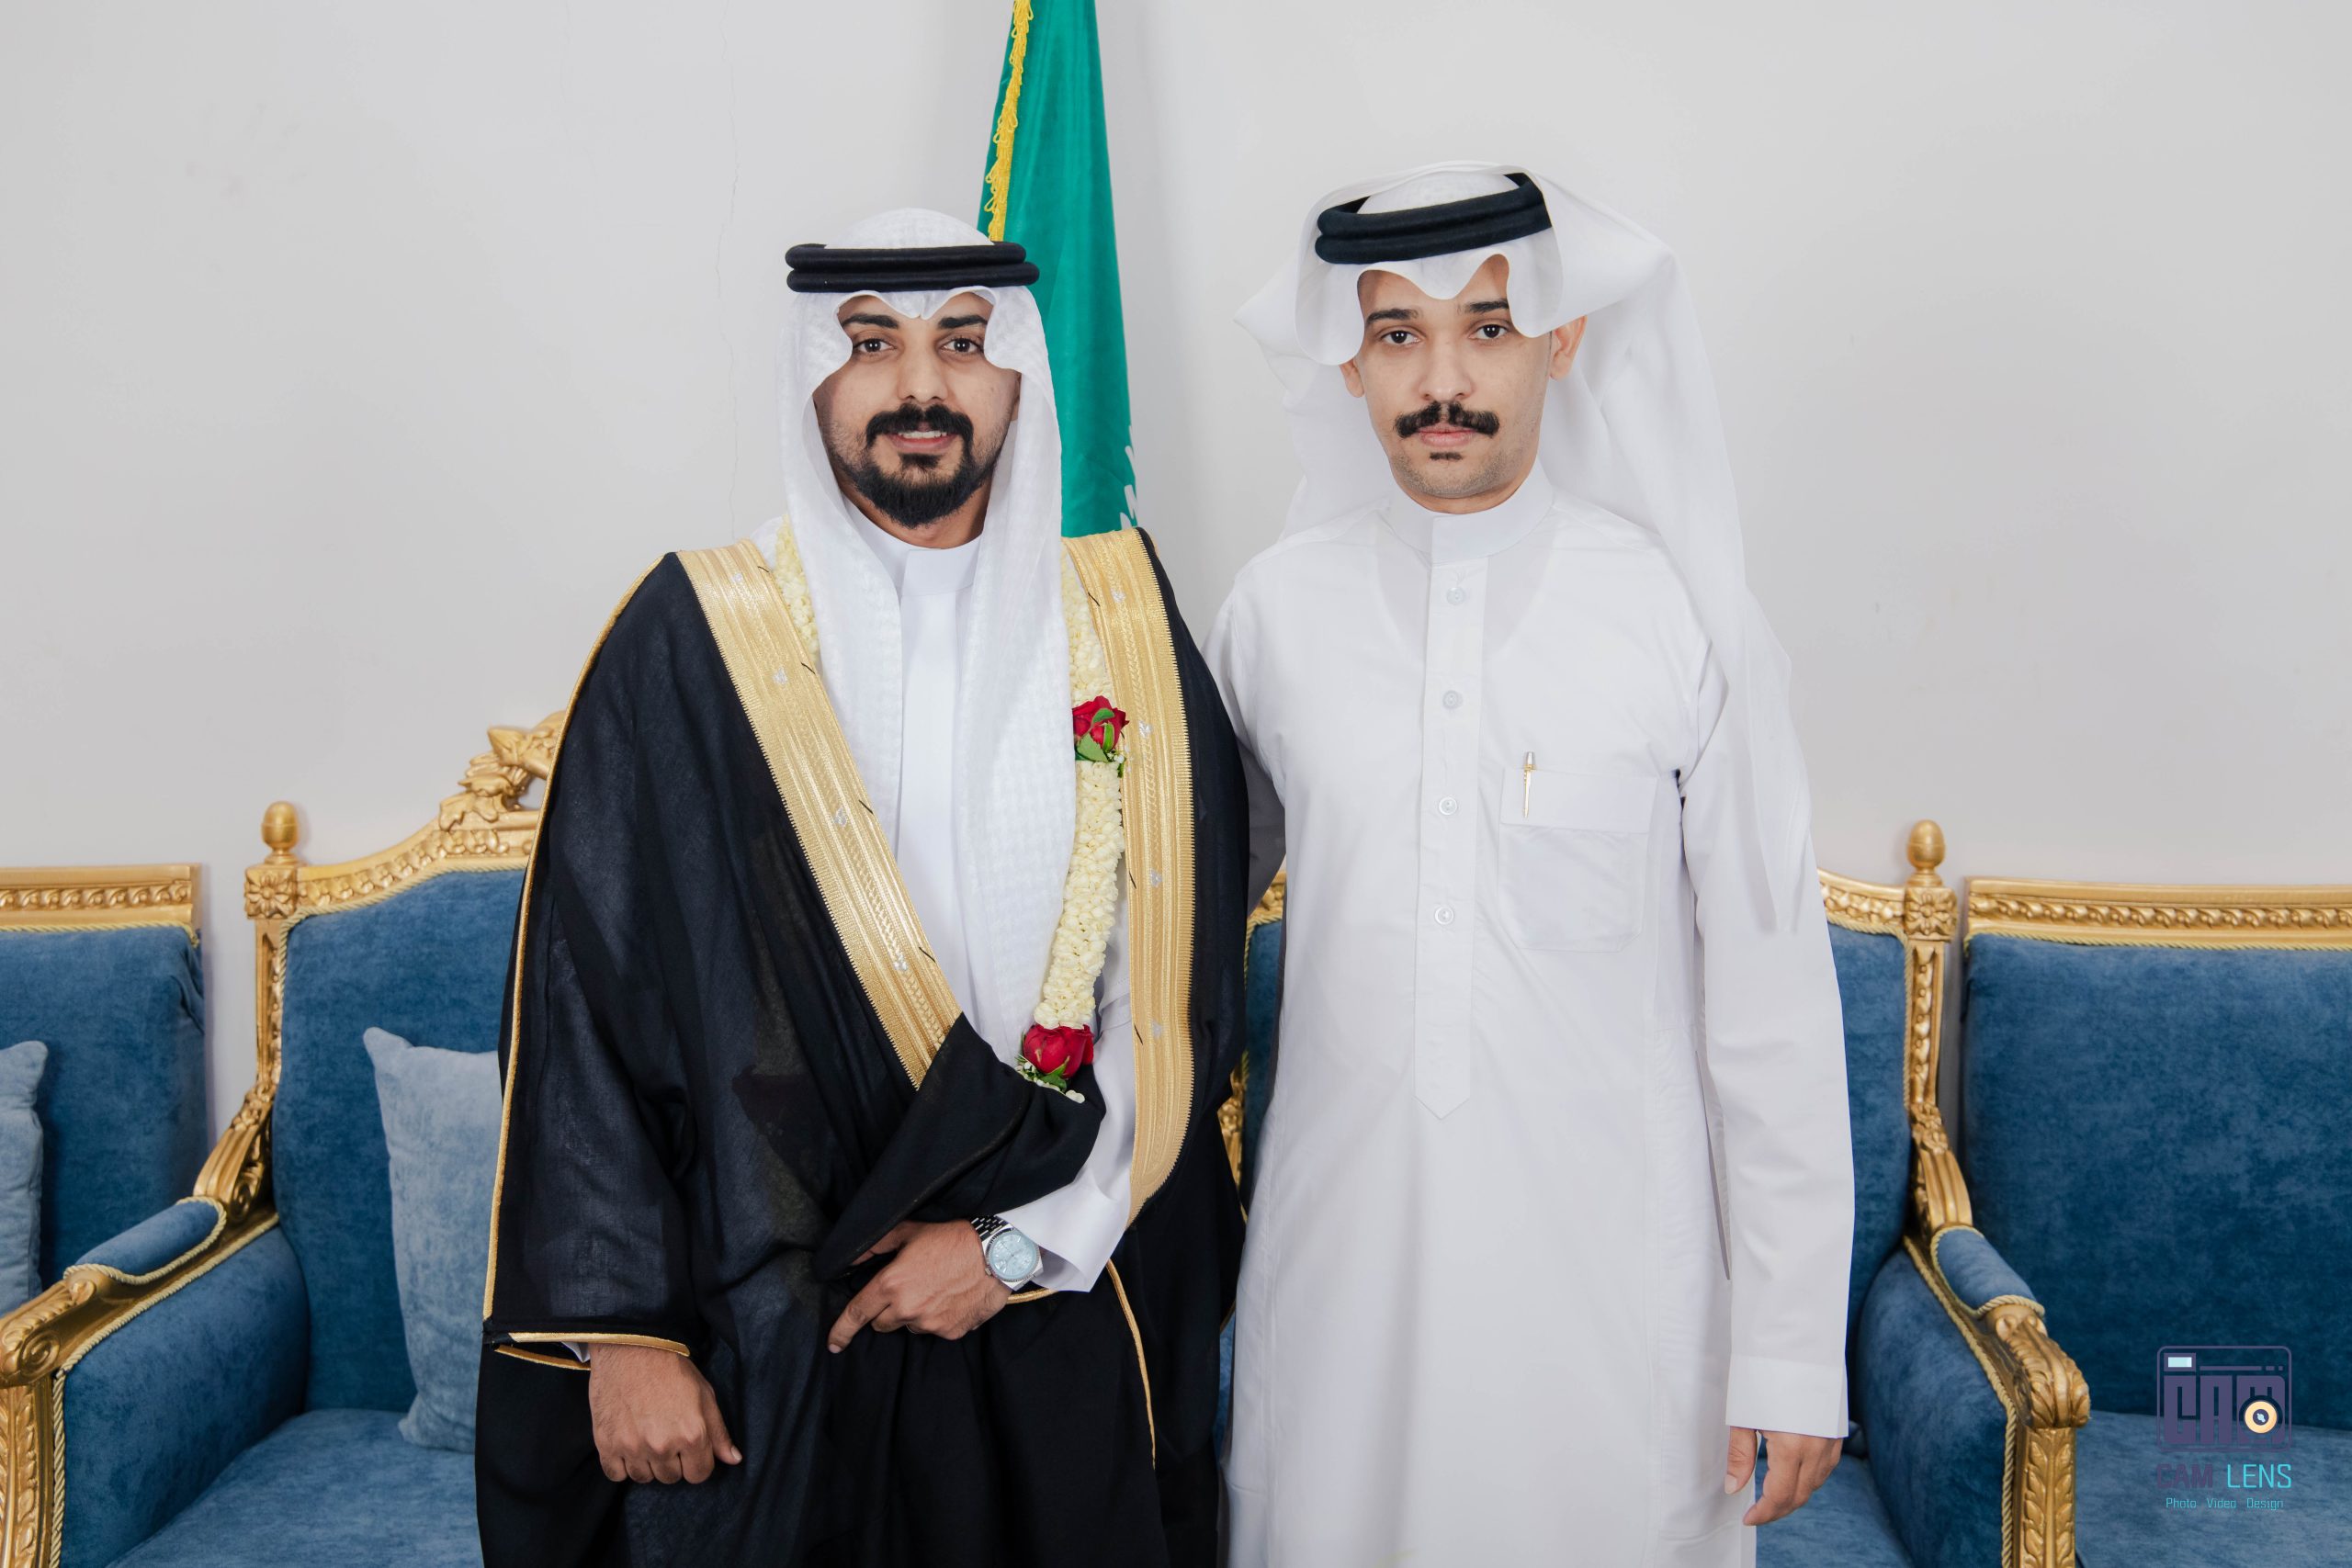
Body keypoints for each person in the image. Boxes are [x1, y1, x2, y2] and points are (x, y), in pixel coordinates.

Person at [475, 209, 1248, 1568]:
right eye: (871, 345)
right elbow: (587, 1002)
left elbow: (1170, 996)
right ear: (813, 381)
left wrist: (1015, 1245)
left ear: (1018, 376)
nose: (920, 387)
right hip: (774, 1311)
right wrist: (624, 1336)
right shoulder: (694, 638)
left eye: (964, 343)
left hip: (1052, 1292)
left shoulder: (1122, 624)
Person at [1207, 163, 1856, 1565]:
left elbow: (1771, 1006)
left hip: (1616, 1310)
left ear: (1564, 340)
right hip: (1342, 1295)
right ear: (1347, 359)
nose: (1443, 380)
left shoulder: (1676, 615)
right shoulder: (1271, 619)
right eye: (1399, 335)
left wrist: (1793, 1349)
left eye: (1488, 329)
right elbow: (1166, 941)